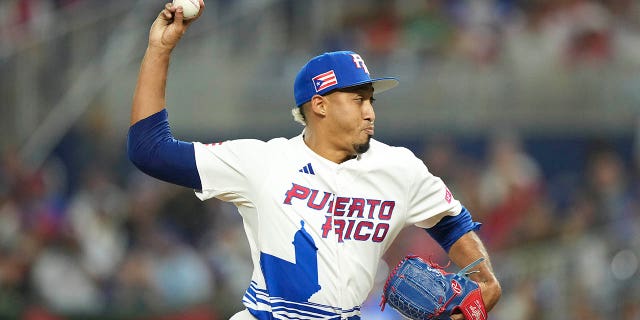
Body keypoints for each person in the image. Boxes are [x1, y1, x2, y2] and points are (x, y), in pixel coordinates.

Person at [127, 2, 501, 319]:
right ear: (319, 105)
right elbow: (150, 150)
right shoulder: (262, 161)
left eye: (371, 99)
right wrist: (159, 51)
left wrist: (485, 280)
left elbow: (451, 222)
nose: (370, 111)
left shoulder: (400, 168)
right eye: (357, 100)